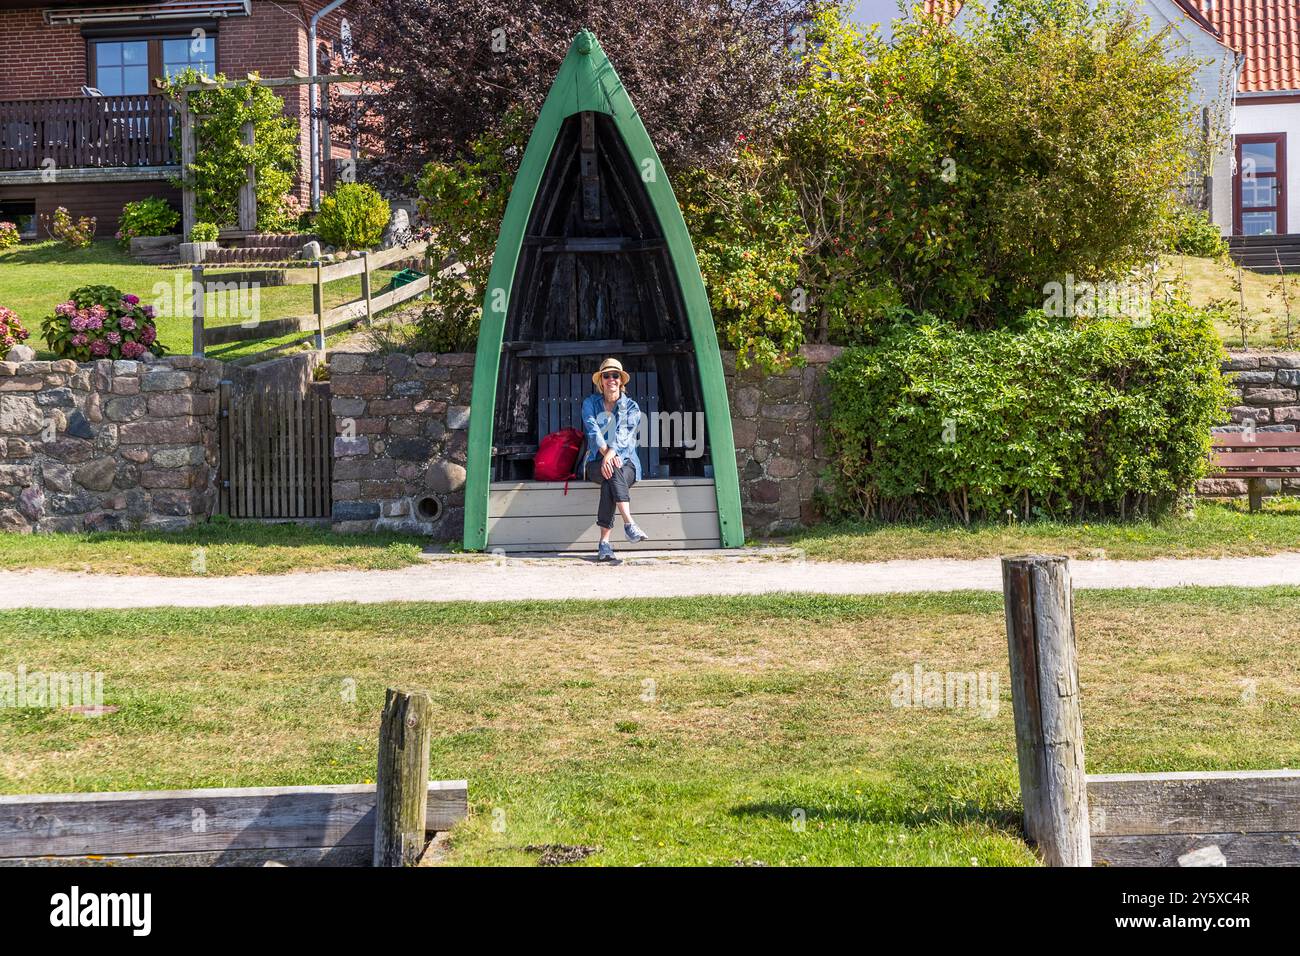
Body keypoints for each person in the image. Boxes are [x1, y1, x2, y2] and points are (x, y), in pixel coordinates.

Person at [579, 357, 649, 561]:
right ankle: (629, 523)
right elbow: (593, 431)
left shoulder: (632, 407)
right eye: (606, 375)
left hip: (627, 463)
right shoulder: (590, 403)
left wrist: (611, 456)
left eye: (615, 375)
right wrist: (607, 456)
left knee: (610, 477)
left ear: (621, 380)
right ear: (601, 381)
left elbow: (623, 435)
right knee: (610, 471)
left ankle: (604, 544)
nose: (611, 379)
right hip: (594, 462)